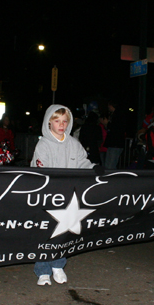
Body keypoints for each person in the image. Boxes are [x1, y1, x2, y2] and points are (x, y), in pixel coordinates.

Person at [30, 104, 94, 285]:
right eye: (56, 121)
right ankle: (43, 270)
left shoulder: (74, 144)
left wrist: (94, 168)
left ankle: (58, 265)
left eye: (65, 121)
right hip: (47, 196)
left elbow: (82, 162)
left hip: (68, 196)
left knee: (63, 232)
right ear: (49, 122)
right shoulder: (43, 145)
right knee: (45, 233)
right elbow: (41, 170)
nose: (61, 125)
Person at [104, 101, 126, 169]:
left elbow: (116, 128)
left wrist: (107, 124)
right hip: (114, 143)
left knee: (110, 164)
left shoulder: (118, 115)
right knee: (109, 164)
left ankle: (111, 178)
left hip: (115, 143)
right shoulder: (115, 114)